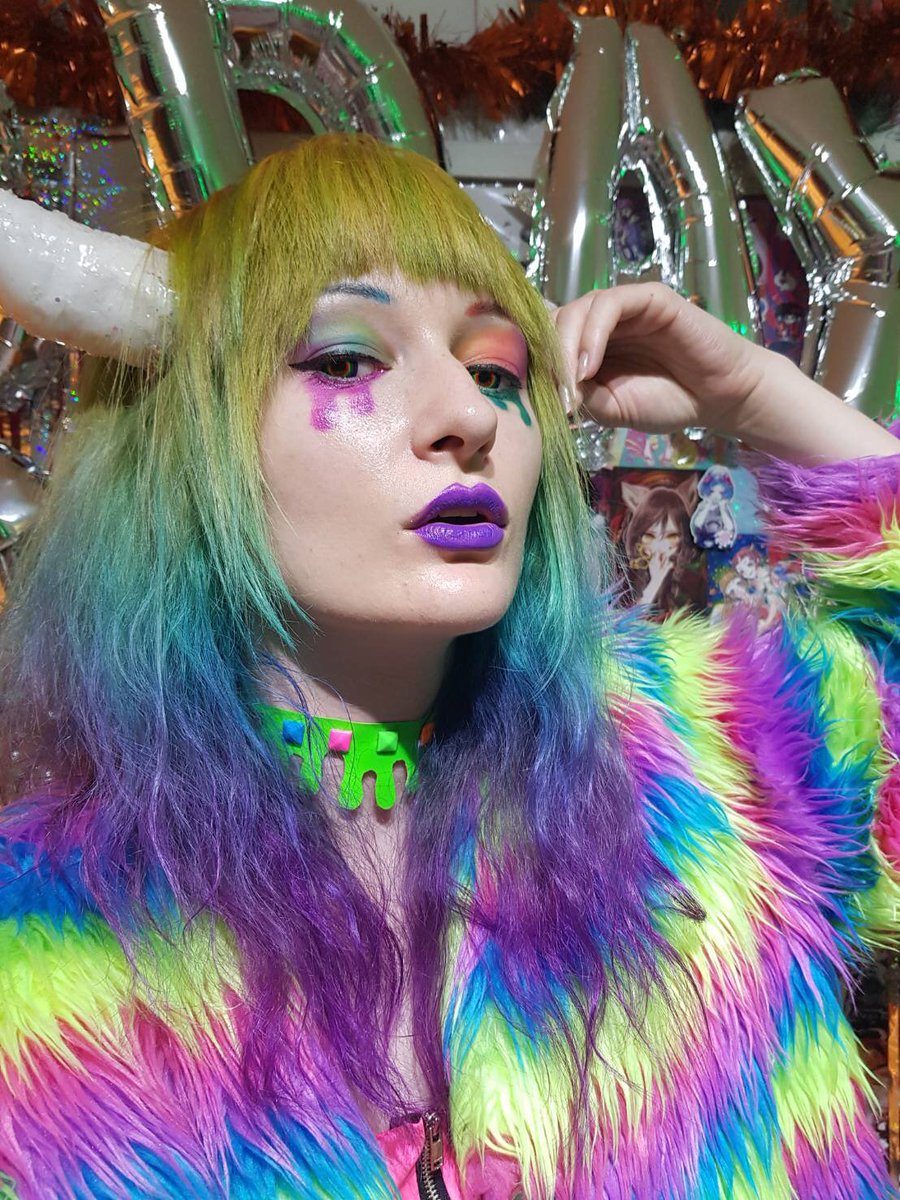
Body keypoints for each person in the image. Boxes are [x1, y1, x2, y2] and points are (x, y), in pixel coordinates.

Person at [0, 132, 897, 1200]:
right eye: (345, 360)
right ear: (182, 445)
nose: (469, 417)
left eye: (495, 369)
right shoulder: (37, 970)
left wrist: (753, 391)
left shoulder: (711, 765)